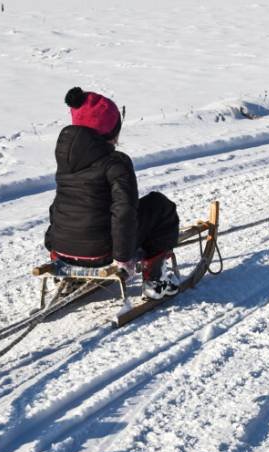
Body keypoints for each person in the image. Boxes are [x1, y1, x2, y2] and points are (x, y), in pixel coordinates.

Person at [45, 87, 181, 299]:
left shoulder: (65, 158)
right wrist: (123, 257)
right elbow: (124, 211)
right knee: (159, 206)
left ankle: (73, 274)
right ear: (109, 131)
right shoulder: (116, 162)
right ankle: (155, 277)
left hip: (63, 250)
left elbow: (59, 204)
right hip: (102, 253)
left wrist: (52, 243)